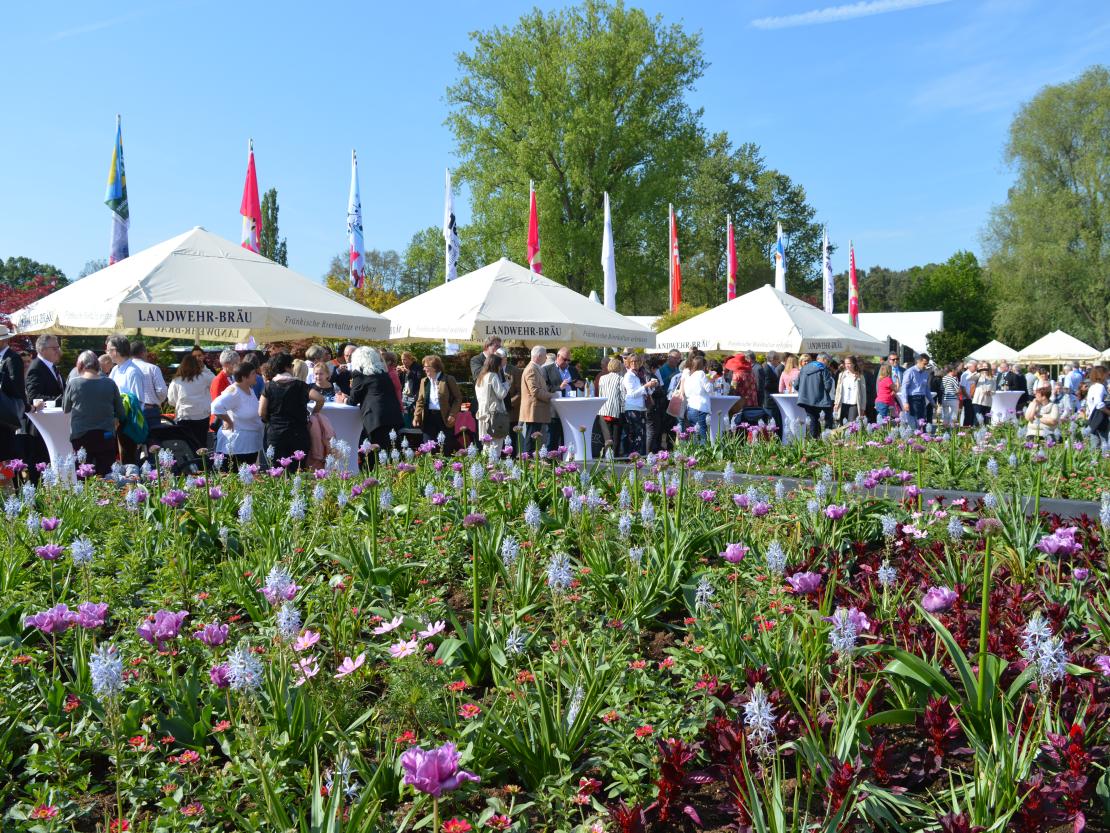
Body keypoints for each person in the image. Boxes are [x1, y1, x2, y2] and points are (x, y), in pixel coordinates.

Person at [61, 350, 125, 476]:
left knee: (82, 474)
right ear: (97, 365)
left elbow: (65, 408)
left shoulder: (74, 383)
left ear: (79, 365)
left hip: (81, 436)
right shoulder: (110, 383)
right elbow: (121, 413)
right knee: (107, 474)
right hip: (106, 435)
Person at [259, 352, 324, 468]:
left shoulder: (269, 386)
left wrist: (270, 420)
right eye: (292, 365)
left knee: (277, 471)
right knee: (297, 470)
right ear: (287, 367)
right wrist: (313, 413)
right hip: (298, 433)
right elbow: (320, 399)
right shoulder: (300, 385)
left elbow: (261, 412)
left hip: (275, 433)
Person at [347, 346, 404, 459]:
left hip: (376, 419)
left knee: (375, 454)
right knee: (391, 452)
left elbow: (353, 400)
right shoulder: (383, 373)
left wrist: (343, 399)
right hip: (392, 414)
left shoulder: (360, 374)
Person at [212, 362, 265, 468]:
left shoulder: (249, 389)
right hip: (237, 446)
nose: (257, 376)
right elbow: (216, 406)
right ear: (244, 377)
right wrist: (227, 420)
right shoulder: (234, 391)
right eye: (253, 373)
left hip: (250, 444)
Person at [105, 335, 146, 464]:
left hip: (128, 424)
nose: (107, 353)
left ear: (116, 351)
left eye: (108, 350)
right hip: (116, 422)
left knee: (129, 460)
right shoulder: (115, 370)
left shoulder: (133, 371)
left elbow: (137, 402)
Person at [167, 353, 215, 453]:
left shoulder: (176, 381)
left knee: (187, 446)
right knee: (202, 444)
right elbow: (215, 381)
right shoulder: (204, 377)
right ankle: (202, 466)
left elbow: (171, 400)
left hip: (184, 416)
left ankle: (191, 467)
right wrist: (205, 368)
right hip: (202, 416)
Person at [412, 354, 462, 451]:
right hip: (428, 417)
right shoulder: (424, 381)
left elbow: (458, 398)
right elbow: (420, 400)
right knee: (429, 447)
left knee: (446, 446)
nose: (424, 369)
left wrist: (453, 414)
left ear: (435, 368)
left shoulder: (448, 379)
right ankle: (432, 465)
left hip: (444, 418)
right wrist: (416, 416)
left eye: (426, 367)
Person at [620, 353, 658, 455]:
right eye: (631, 361)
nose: (634, 363)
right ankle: (634, 458)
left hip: (640, 408)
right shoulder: (628, 376)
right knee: (636, 436)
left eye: (636, 361)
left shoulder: (639, 375)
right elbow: (632, 394)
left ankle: (638, 457)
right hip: (632, 408)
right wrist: (646, 385)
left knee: (641, 435)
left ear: (640, 362)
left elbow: (644, 392)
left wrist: (652, 386)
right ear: (628, 363)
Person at [519, 345, 555, 449]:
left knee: (533, 439)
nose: (546, 358)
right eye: (545, 356)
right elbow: (534, 391)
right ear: (539, 356)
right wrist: (551, 396)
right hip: (533, 411)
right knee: (531, 439)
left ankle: (531, 461)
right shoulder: (531, 369)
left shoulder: (535, 368)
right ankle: (528, 462)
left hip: (536, 411)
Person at [0, 326, 27, 461]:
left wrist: (25, 406)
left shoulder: (12, 358)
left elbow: (16, 387)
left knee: (6, 451)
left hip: (6, 413)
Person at [474, 354, 510, 445]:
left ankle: (486, 459)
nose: (500, 368)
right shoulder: (493, 376)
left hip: (483, 413)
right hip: (494, 414)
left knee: (486, 443)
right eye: (500, 366)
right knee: (496, 443)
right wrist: (507, 383)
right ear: (496, 365)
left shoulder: (481, 377)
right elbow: (501, 394)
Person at [796, 353, 834, 438]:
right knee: (826, 423)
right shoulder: (823, 368)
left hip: (806, 401)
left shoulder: (804, 368)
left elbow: (796, 385)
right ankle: (825, 443)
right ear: (824, 360)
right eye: (828, 362)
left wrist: (806, 392)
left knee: (813, 422)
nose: (828, 365)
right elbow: (828, 386)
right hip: (821, 401)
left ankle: (813, 442)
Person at [130, 341, 168, 426]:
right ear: (144, 352)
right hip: (150, 410)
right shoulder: (152, 368)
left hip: (131, 410)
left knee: (135, 439)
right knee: (153, 438)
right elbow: (162, 391)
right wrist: (158, 402)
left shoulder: (124, 368)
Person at [682, 355, 713, 442]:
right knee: (702, 435)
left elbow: (686, 392)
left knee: (695, 436)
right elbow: (709, 389)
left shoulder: (689, 375)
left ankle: (694, 455)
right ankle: (703, 455)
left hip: (691, 408)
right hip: (700, 407)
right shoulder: (701, 374)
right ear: (703, 365)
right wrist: (710, 379)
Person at [597, 357, 624, 452]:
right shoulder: (620, 378)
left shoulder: (602, 378)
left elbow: (600, 393)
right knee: (616, 436)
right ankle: (615, 456)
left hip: (604, 410)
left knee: (607, 436)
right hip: (616, 410)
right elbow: (622, 395)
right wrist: (623, 409)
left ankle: (607, 454)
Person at [833, 355, 868, 424]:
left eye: (849, 363)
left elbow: (863, 393)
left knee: (851, 424)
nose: (847, 365)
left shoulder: (860, 376)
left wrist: (863, 407)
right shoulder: (841, 375)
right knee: (841, 424)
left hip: (854, 403)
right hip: (842, 402)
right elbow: (838, 390)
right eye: (845, 363)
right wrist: (836, 403)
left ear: (854, 364)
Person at [901, 353, 933, 426]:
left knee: (922, 421)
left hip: (922, 399)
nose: (926, 366)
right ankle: (914, 435)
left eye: (927, 364)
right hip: (912, 399)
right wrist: (905, 402)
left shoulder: (925, 373)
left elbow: (926, 388)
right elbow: (904, 387)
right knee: (914, 422)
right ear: (918, 361)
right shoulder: (910, 372)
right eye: (924, 364)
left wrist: (932, 401)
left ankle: (920, 436)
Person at [1084, 366, 1109, 442]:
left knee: (1094, 444)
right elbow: (1098, 403)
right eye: (1105, 373)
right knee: (1105, 442)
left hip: (1092, 418)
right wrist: (1108, 412)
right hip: (1100, 417)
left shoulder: (1093, 387)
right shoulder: (1100, 387)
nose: (1107, 375)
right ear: (1101, 374)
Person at [400, 351, 422, 427]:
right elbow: (401, 382)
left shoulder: (417, 367)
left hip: (414, 395)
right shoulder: (403, 368)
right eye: (402, 360)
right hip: (404, 395)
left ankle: (414, 431)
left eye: (405, 359)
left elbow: (419, 380)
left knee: (414, 414)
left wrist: (408, 372)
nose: (403, 362)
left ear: (410, 359)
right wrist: (398, 373)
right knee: (405, 415)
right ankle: (407, 431)